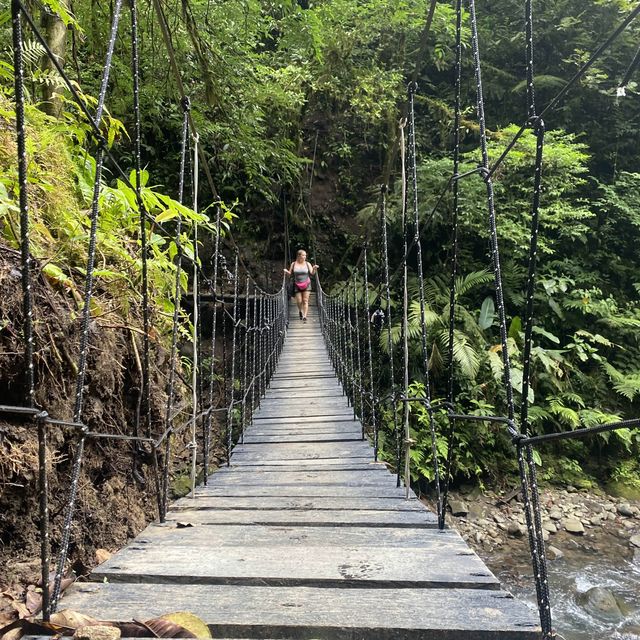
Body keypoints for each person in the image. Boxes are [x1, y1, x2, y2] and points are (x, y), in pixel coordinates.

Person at [284, 249, 319, 322]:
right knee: (299, 301)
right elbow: (290, 274)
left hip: (306, 284)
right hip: (297, 284)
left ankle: (304, 316)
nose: (305, 256)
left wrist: (314, 269)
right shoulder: (293, 264)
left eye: (305, 255)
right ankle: (300, 311)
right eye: (303, 255)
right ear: (299, 256)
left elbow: (312, 273)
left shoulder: (307, 263)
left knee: (305, 300)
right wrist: (286, 271)